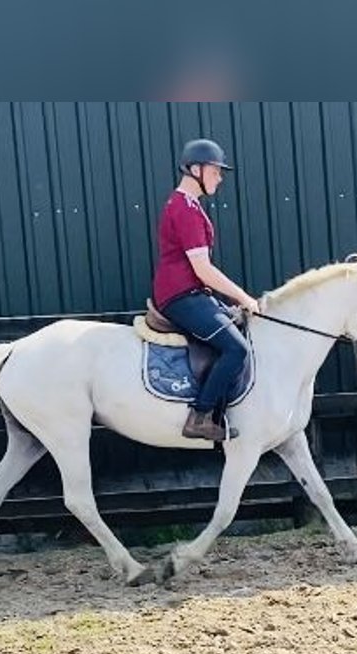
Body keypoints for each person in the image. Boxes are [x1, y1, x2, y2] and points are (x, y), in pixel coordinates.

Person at [152, 138, 260, 441]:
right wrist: (243, 297)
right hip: (181, 296)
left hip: (192, 293)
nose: (220, 177)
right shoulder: (184, 209)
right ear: (195, 169)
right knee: (236, 348)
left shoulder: (188, 205)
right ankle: (199, 417)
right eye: (215, 171)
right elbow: (202, 269)